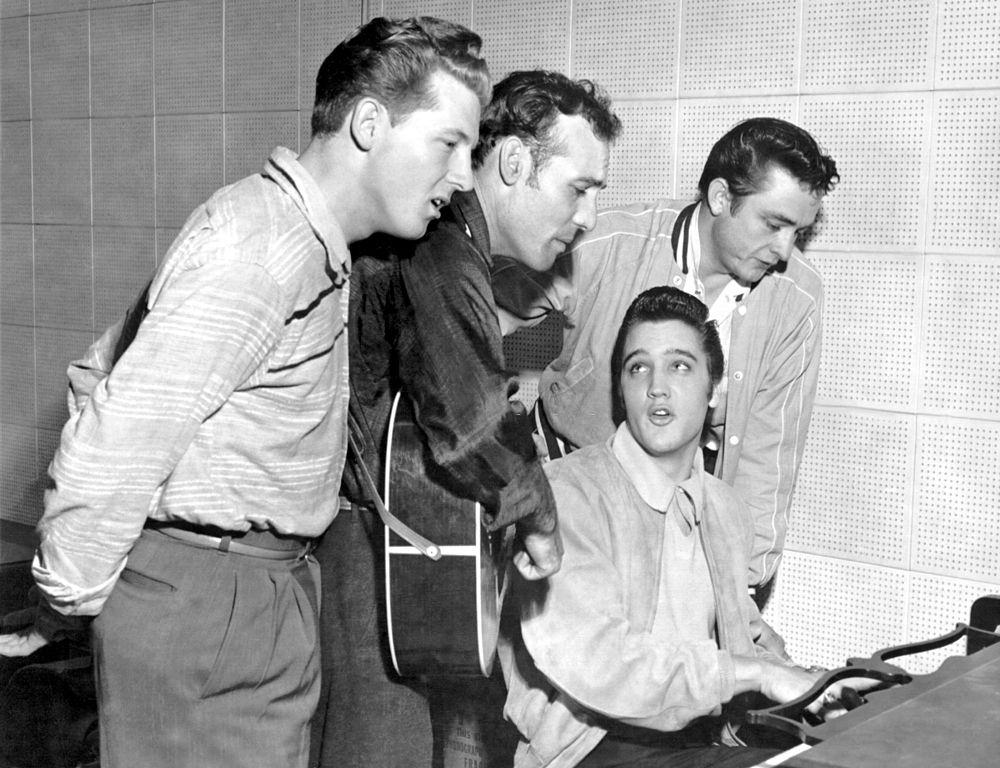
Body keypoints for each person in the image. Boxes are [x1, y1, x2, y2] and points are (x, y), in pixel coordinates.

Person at [0, 16, 489, 768]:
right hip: (211, 601)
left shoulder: (310, 246)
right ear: (368, 124)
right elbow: (118, 430)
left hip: (258, 589)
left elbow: (105, 364)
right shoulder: (261, 246)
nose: (462, 177)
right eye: (449, 144)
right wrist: (69, 597)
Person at [312, 70, 622, 767]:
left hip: (374, 539)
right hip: (362, 548)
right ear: (514, 163)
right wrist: (541, 518)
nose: (589, 218)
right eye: (581, 188)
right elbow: (467, 429)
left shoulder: (450, 244)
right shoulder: (443, 244)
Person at [500, 287, 866, 768]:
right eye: (638, 367)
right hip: (591, 750)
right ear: (621, 389)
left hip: (701, 742)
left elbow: (744, 637)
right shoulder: (564, 495)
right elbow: (602, 663)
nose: (656, 386)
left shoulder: (725, 509)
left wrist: (815, 684)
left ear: (713, 391)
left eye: (679, 365)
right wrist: (752, 674)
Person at [493, 117, 839, 597]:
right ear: (721, 198)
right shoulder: (604, 247)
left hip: (683, 528)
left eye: (797, 232)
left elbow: (769, 458)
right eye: (774, 224)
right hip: (565, 499)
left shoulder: (797, 299)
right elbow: (472, 326)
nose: (784, 251)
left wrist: (744, 591)